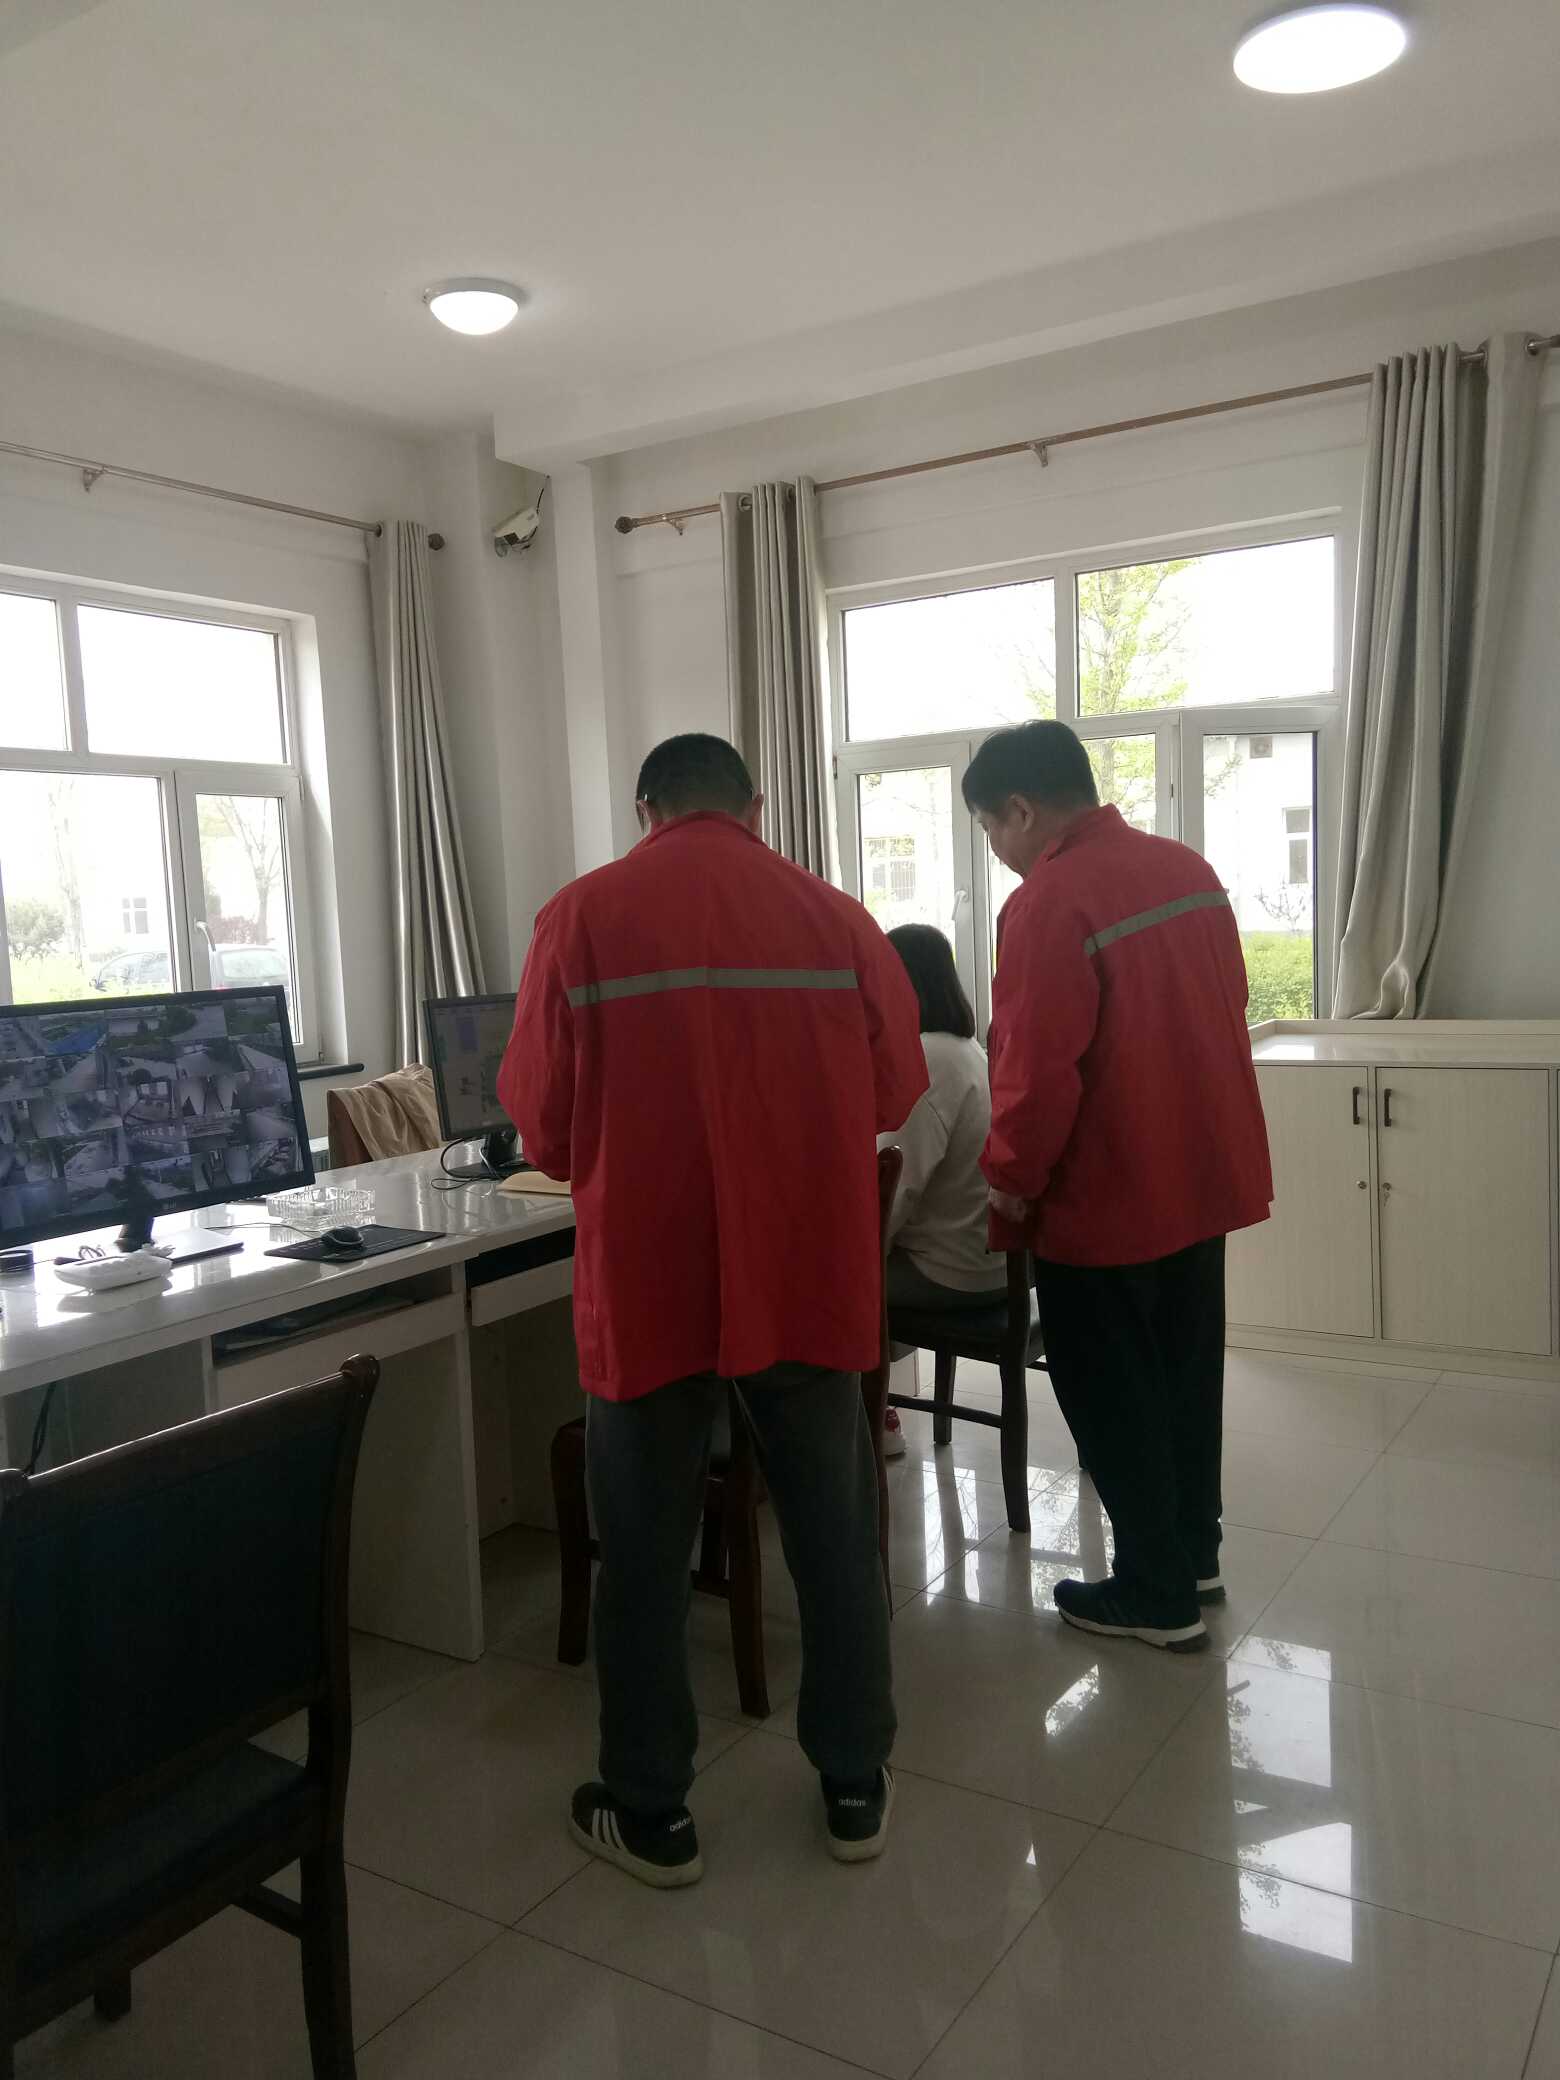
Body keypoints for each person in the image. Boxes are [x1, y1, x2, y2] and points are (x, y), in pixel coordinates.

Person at [498, 732, 927, 1887]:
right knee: (834, 1532)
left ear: (644, 807)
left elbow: (544, 1130)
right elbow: (895, 1090)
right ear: (756, 803)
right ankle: (853, 1784)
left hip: (650, 1280)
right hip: (804, 1271)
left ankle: (651, 1812)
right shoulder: (839, 921)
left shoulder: (578, 920)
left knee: (641, 1547)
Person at [964, 720, 1272, 1653]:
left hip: (1106, 1194)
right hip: (1199, 1173)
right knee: (1186, 1374)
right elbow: (1230, 1002)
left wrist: (1010, 1184)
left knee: (1111, 1390)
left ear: (1022, 809)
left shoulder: (1048, 903)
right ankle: (1195, 1556)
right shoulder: (1188, 870)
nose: (996, 848)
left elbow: (1035, 1072)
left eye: (991, 827)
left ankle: (1154, 1592)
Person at [877, 926, 1007, 1457]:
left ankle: (865, 1418)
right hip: (997, 1263)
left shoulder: (925, 1059)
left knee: (826, 1282)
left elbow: (894, 1189)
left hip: (951, 1272)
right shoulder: (968, 1051)